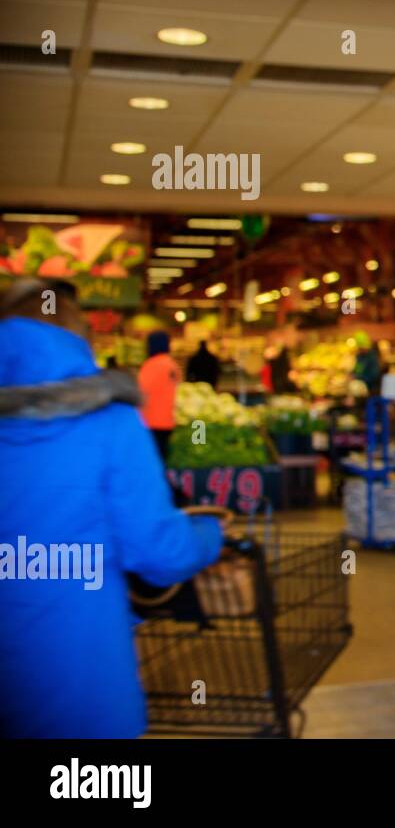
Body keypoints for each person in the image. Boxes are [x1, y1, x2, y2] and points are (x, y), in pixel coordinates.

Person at [0, 277, 223, 737]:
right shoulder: (110, 424)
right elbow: (160, 552)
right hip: (81, 680)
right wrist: (210, 537)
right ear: (77, 337)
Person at [137, 329, 179, 464]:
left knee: (151, 461)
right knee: (162, 458)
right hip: (168, 421)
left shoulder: (151, 365)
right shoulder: (172, 365)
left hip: (151, 421)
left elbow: (141, 391)